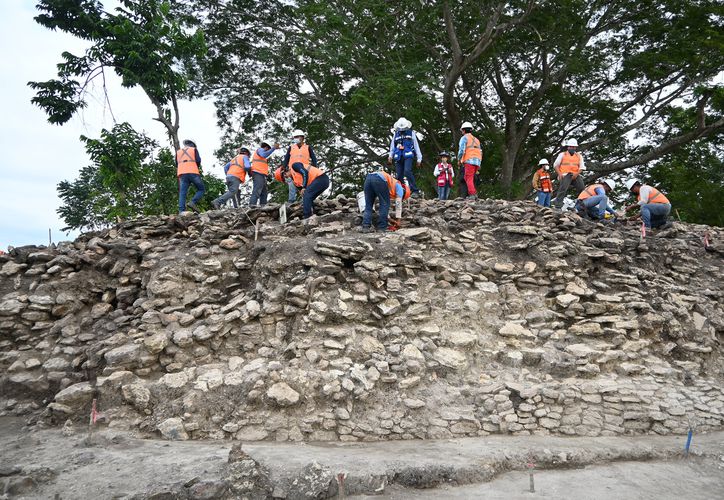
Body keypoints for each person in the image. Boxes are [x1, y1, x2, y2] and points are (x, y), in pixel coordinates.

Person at [281, 129, 318, 203]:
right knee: (291, 184)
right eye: (295, 137)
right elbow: (286, 158)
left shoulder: (307, 147)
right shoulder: (291, 147)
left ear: (303, 138)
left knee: (304, 186)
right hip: (292, 171)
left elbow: (314, 158)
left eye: (298, 137)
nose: (296, 138)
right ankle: (291, 201)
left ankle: (305, 201)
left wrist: (315, 168)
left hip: (303, 170)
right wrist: (283, 168)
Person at [388, 118, 422, 198]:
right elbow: (392, 146)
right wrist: (390, 156)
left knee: (407, 171)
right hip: (398, 156)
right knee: (399, 175)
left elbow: (416, 146)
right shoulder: (395, 134)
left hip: (408, 156)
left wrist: (419, 158)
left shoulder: (411, 133)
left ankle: (415, 190)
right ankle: (401, 192)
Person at [552, 138, 586, 209]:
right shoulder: (562, 154)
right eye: (571, 146)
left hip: (575, 175)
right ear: (568, 147)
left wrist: (576, 174)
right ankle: (558, 206)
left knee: (582, 188)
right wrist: (559, 174)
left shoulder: (579, 156)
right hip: (565, 175)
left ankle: (581, 206)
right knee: (563, 188)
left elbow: (582, 167)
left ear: (576, 147)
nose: (572, 148)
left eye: (573, 147)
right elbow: (556, 165)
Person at [176, 139, 206, 213]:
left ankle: (181, 211)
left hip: (182, 173)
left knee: (182, 192)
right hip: (193, 171)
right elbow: (198, 161)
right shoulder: (194, 150)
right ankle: (192, 202)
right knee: (201, 189)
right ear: (192, 144)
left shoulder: (178, 152)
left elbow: (176, 164)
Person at [249, 140, 279, 207]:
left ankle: (263, 206)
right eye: (268, 149)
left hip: (261, 174)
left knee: (264, 192)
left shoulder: (261, 154)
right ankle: (252, 205)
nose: (268, 151)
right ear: (266, 147)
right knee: (257, 189)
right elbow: (264, 155)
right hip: (257, 173)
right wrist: (273, 148)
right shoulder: (260, 150)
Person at [457, 121, 482, 199]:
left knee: (468, 178)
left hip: (469, 160)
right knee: (468, 177)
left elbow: (461, 150)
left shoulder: (464, 138)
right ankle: (473, 193)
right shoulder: (476, 139)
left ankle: (472, 194)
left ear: (463, 130)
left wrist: (459, 159)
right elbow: (480, 151)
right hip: (477, 161)